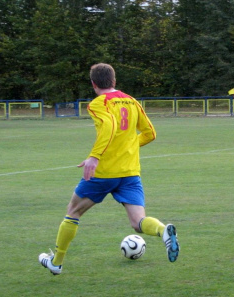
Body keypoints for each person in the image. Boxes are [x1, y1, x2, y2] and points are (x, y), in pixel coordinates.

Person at [38, 63, 180, 275]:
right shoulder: (132, 101)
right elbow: (150, 133)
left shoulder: (98, 103)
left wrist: (95, 156)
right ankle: (162, 230)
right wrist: (128, 147)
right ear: (114, 81)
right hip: (130, 172)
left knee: (73, 212)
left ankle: (56, 262)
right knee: (138, 221)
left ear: (94, 84)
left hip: (104, 172)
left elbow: (109, 126)